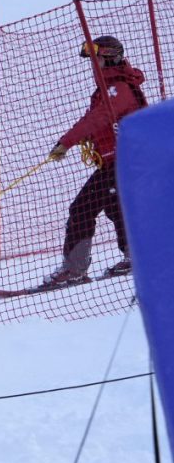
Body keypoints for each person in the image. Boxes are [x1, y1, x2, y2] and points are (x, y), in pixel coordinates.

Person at [43, 35, 148, 286]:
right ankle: (138, 256)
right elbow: (97, 122)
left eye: (97, 58)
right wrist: (80, 138)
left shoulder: (117, 88)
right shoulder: (109, 87)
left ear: (110, 57)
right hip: (119, 161)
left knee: (82, 208)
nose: (94, 64)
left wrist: (66, 142)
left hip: (124, 162)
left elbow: (98, 118)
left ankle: (74, 269)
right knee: (116, 208)